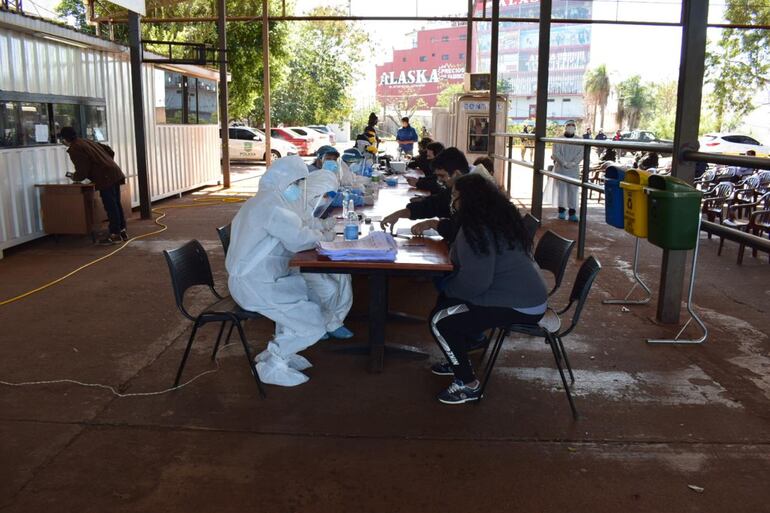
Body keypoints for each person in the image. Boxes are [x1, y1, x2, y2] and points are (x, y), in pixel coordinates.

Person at [428, 173, 548, 404]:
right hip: (527, 297)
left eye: (455, 196)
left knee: (439, 319)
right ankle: (457, 357)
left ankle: (468, 383)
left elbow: (475, 282)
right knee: (446, 305)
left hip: (519, 304)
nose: (452, 202)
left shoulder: (476, 230)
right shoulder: (495, 220)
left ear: (468, 200)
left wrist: (448, 288)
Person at [225, 156, 335, 387]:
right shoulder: (273, 207)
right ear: (285, 180)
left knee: (306, 303)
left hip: (262, 280)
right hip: (256, 285)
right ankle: (273, 363)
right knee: (314, 323)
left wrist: (319, 230)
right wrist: (324, 237)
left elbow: (297, 226)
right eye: (296, 183)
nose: (298, 189)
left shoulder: (266, 200)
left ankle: (281, 351)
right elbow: (299, 239)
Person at [301, 160, 355, 340]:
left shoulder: (309, 203)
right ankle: (319, 324)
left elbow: (312, 221)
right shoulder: (290, 206)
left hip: (309, 251)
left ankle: (334, 322)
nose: (325, 200)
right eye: (323, 196)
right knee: (328, 288)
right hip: (290, 261)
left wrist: (325, 224)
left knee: (343, 275)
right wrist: (323, 236)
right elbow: (296, 239)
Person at [381, 147, 472, 242]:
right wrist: (400, 214)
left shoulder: (477, 193)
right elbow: (434, 204)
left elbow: (462, 232)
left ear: (456, 174)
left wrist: (433, 224)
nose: (439, 180)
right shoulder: (456, 188)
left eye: (442, 176)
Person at [60, 126, 127, 245]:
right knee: (116, 203)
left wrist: (75, 177)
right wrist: (107, 162)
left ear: (65, 139)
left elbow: (82, 170)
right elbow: (109, 150)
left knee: (110, 206)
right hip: (114, 172)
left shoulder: (75, 148)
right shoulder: (85, 141)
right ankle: (121, 231)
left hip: (105, 177)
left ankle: (115, 235)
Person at [551, 120, 582, 222]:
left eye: (572, 125)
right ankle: (561, 211)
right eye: (568, 125)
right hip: (561, 168)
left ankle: (572, 212)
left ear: (575, 127)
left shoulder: (580, 140)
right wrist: (563, 162)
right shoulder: (558, 139)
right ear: (565, 127)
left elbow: (581, 154)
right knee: (561, 190)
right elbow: (556, 153)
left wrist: (573, 163)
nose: (570, 127)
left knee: (573, 190)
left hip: (573, 169)